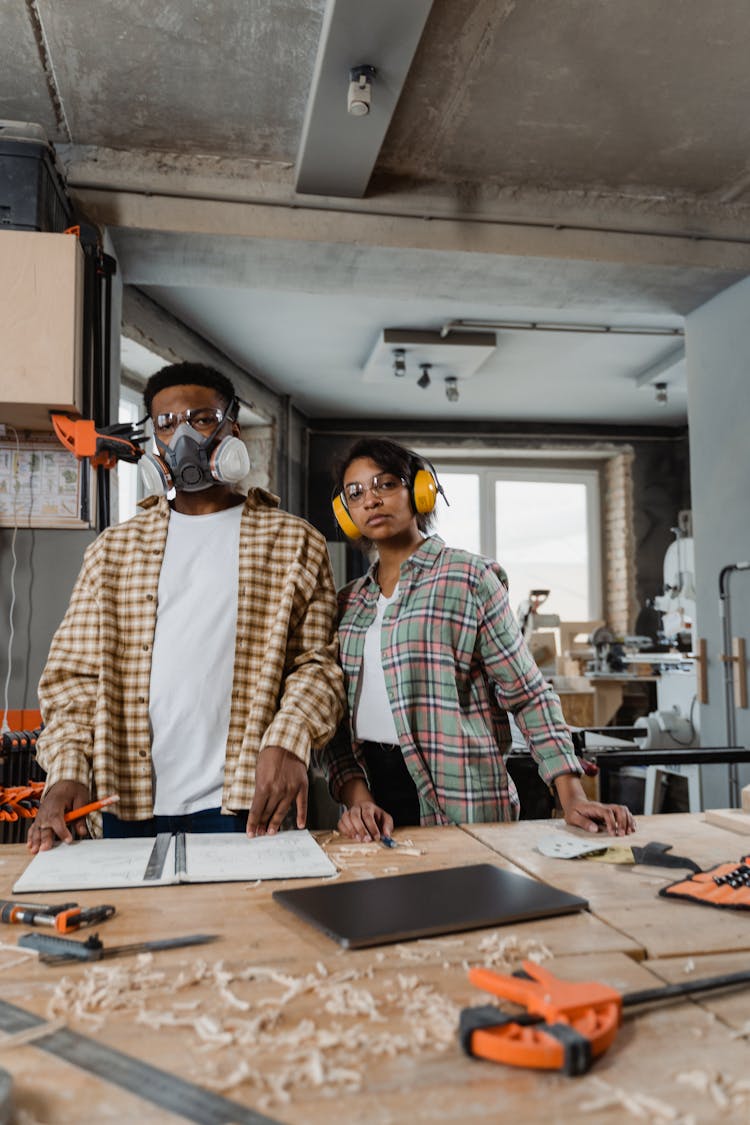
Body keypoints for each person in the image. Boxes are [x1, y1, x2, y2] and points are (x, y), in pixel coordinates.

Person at [28, 362, 344, 852]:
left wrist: (289, 740)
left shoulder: (294, 541)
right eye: (166, 424)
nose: (182, 437)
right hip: (122, 802)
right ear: (153, 442)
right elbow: (73, 679)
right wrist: (67, 770)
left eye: (199, 419)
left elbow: (317, 666)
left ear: (230, 431)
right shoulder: (113, 550)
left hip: (243, 805)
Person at [319, 437, 635, 842]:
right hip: (372, 804)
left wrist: (571, 795)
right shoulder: (348, 602)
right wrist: (356, 797)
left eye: (386, 484)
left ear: (419, 491)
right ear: (345, 512)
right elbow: (332, 723)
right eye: (356, 492)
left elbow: (527, 694)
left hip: (464, 796)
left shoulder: (469, 577)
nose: (371, 500)